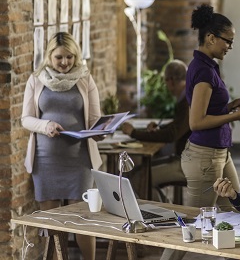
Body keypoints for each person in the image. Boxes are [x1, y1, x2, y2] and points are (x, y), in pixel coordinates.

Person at [21, 32, 103, 260]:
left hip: (80, 162)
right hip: (46, 161)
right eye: (59, 57)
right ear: (49, 56)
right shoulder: (36, 79)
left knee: (84, 221)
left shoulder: (85, 78)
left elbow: (95, 118)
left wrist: (101, 131)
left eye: (70, 57)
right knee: (52, 226)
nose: (65, 62)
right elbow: (25, 119)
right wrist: (45, 125)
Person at [181, 4, 240, 211]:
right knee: (197, 223)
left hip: (219, 153)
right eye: (228, 41)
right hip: (205, 157)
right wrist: (235, 116)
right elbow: (196, 122)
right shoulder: (203, 71)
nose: (230, 47)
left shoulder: (208, 66)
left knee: (233, 212)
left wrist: (231, 106)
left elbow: (208, 109)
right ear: (211, 38)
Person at [121, 60, 190, 195]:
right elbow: (180, 124)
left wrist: (134, 133)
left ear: (170, 81)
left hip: (186, 164)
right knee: (138, 172)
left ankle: (165, 214)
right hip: (184, 158)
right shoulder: (186, 97)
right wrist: (160, 127)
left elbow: (172, 135)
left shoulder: (187, 100)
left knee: (140, 178)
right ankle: (165, 209)